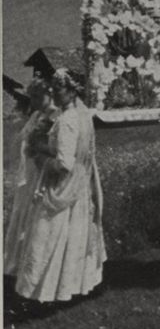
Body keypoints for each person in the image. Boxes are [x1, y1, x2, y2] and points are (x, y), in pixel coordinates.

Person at [14, 69, 106, 303]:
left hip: (62, 186)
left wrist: (41, 158)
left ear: (73, 91)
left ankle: (42, 291)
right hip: (80, 186)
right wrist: (47, 147)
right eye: (53, 89)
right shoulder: (83, 115)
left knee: (47, 235)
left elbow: (64, 164)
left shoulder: (67, 121)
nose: (55, 93)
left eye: (59, 89)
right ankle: (71, 285)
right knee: (73, 236)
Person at [4, 78, 58, 278]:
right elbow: (23, 139)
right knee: (24, 212)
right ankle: (19, 263)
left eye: (37, 97)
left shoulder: (56, 116)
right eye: (32, 97)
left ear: (49, 95)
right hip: (31, 170)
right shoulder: (36, 115)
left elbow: (55, 148)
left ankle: (40, 266)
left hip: (43, 170)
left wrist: (37, 147)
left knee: (39, 215)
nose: (33, 101)